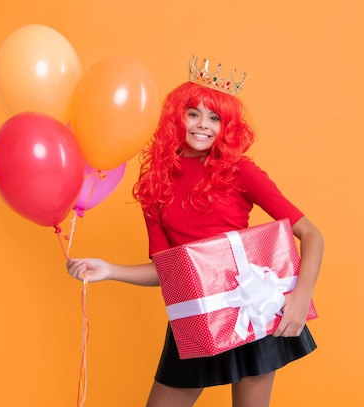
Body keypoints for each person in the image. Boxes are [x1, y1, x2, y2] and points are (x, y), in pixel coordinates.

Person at [67, 56, 324, 407]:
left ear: (226, 126)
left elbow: (311, 234)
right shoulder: (154, 185)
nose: (203, 125)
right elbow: (169, 271)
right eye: (194, 114)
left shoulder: (240, 171)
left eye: (214, 117)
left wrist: (299, 298)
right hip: (197, 311)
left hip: (252, 305)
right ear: (177, 117)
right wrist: (110, 270)